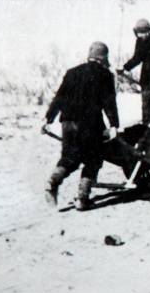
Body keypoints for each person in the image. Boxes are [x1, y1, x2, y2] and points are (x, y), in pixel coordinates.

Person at [42, 41, 120, 211]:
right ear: (104, 57)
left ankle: (52, 183)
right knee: (93, 158)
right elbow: (109, 102)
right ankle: (82, 199)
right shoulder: (105, 75)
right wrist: (114, 124)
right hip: (89, 123)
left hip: (67, 121)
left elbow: (59, 98)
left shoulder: (72, 72)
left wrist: (48, 119)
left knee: (69, 157)